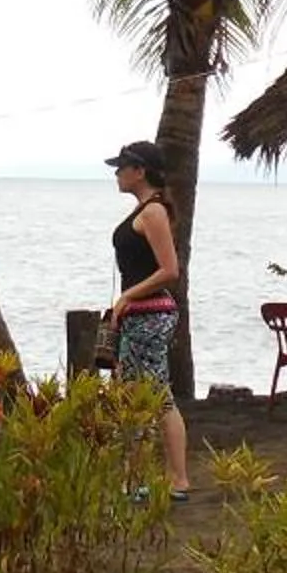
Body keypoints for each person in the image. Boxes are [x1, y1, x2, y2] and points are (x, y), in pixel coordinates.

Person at [103, 139, 190, 502]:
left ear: (140, 171)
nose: (117, 174)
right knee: (143, 393)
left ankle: (167, 479)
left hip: (150, 314)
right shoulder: (145, 210)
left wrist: (127, 295)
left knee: (149, 396)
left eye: (123, 167)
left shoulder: (152, 212)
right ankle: (156, 476)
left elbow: (170, 269)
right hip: (143, 313)